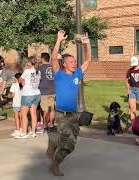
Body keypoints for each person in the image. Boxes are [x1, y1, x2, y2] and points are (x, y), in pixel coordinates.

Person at [46, 30, 92, 176]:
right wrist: (58, 40)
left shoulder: (77, 74)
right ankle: (55, 164)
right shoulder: (59, 75)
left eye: (74, 62)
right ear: (64, 64)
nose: (74, 64)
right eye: (71, 62)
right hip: (62, 115)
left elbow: (88, 61)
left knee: (71, 145)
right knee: (68, 145)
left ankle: (54, 141)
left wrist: (88, 44)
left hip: (73, 115)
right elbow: (54, 59)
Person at [15, 57, 41, 139]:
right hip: (36, 94)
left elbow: (20, 80)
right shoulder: (38, 71)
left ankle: (23, 133)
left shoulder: (27, 71)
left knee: (24, 114)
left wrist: (22, 82)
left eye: (28, 62)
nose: (27, 64)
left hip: (27, 94)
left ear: (30, 63)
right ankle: (33, 132)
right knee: (33, 113)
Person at [39, 52, 56, 133]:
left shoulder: (40, 68)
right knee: (52, 109)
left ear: (42, 59)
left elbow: (38, 79)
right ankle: (52, 125)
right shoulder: (53, 67)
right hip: (53, 90)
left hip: (44, 91)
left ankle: (45, 127)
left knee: (46, 110)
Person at [9, 73, 23, 137]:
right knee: (21, 117)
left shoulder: (14, 85)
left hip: (16, 103)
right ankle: (21, 129)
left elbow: (13, 95)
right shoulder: (23, 85)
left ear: (15, 78)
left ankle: (17, 130)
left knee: (16, 117)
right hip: (22, 103)